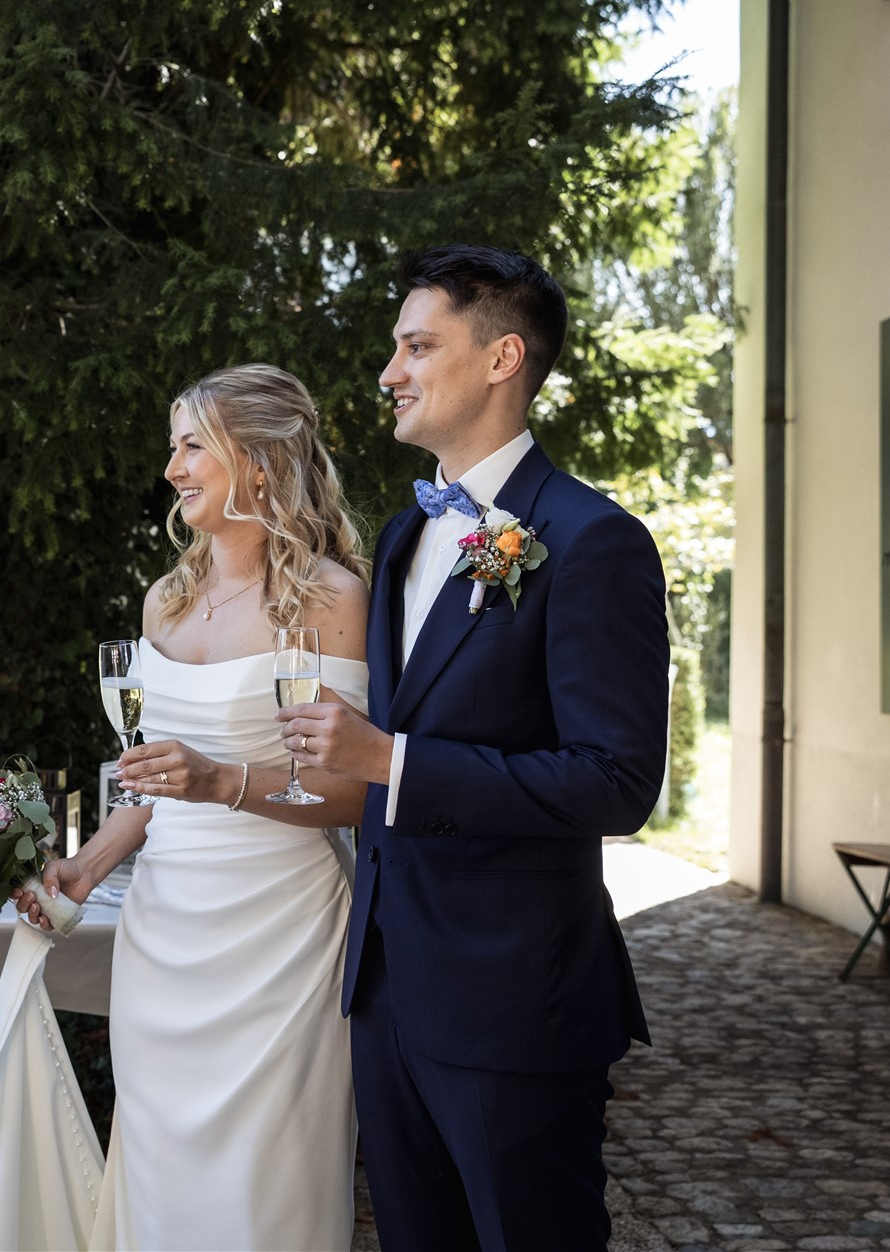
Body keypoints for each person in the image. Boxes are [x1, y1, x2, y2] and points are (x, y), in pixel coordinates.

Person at [280, 245, 668, 1251]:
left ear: (500, 358)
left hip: (514, 1003)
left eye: (416, 345)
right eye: (392, 348)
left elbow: (615, 781)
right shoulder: (407, 541)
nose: (388, 371)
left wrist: (392, 763)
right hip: (386, 994)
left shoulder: (590, 540)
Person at [10, 363, 372, 1250]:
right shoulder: (165, 600)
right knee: (163, 1173)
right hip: (165, 935)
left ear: (257, 460)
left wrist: (226, 781)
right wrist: (88, 866)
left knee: (269, 1182)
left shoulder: (331, 597)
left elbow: (355, 792)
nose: (172, 467)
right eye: (172, 446)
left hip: (280, 939)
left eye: (191, 445)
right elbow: (150, 777)